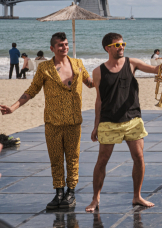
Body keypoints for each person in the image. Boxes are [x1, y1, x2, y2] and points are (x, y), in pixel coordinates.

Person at [1, 32, 94, 209]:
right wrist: (13, 107)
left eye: (66, 44)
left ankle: (71, 192)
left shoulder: (78, 64)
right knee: (56, 159)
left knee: (73, 158)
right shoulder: (45, 68)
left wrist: (108, 74)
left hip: (74, 121)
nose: (64, 47)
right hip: (53, 121)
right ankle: (59, 192)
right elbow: (32, 90)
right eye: (60, 45)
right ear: (52, 48)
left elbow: (90, 83)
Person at [85, 33, 162, 212]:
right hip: (109, 122)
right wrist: (96, 125)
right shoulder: (98, 72)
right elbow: (99, 101)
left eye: (123, 44)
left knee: (139, 157)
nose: (121, 47)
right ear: (107, 48)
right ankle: (95, 199)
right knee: (102, 160)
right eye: (117, 45)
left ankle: (137, 196)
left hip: (133, 119)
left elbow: (156, 71)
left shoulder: (131, 63)